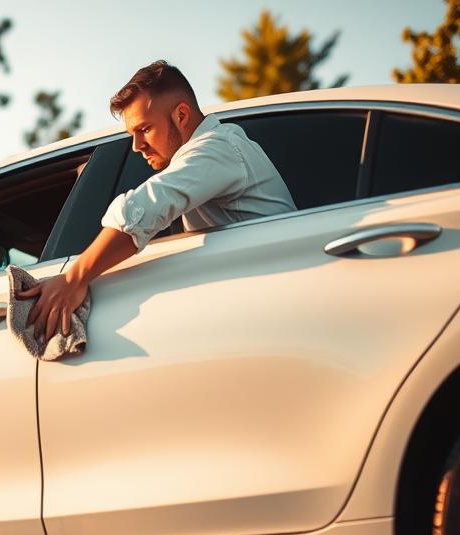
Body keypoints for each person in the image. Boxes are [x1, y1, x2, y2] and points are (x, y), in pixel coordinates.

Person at [20, 60, 296, 344]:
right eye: (132, 135)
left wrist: (73, 279)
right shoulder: (224, 149)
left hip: (275, 313)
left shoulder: (218, 148)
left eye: (145, 129)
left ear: (181, 114)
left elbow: (144, 208)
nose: (137, 146)